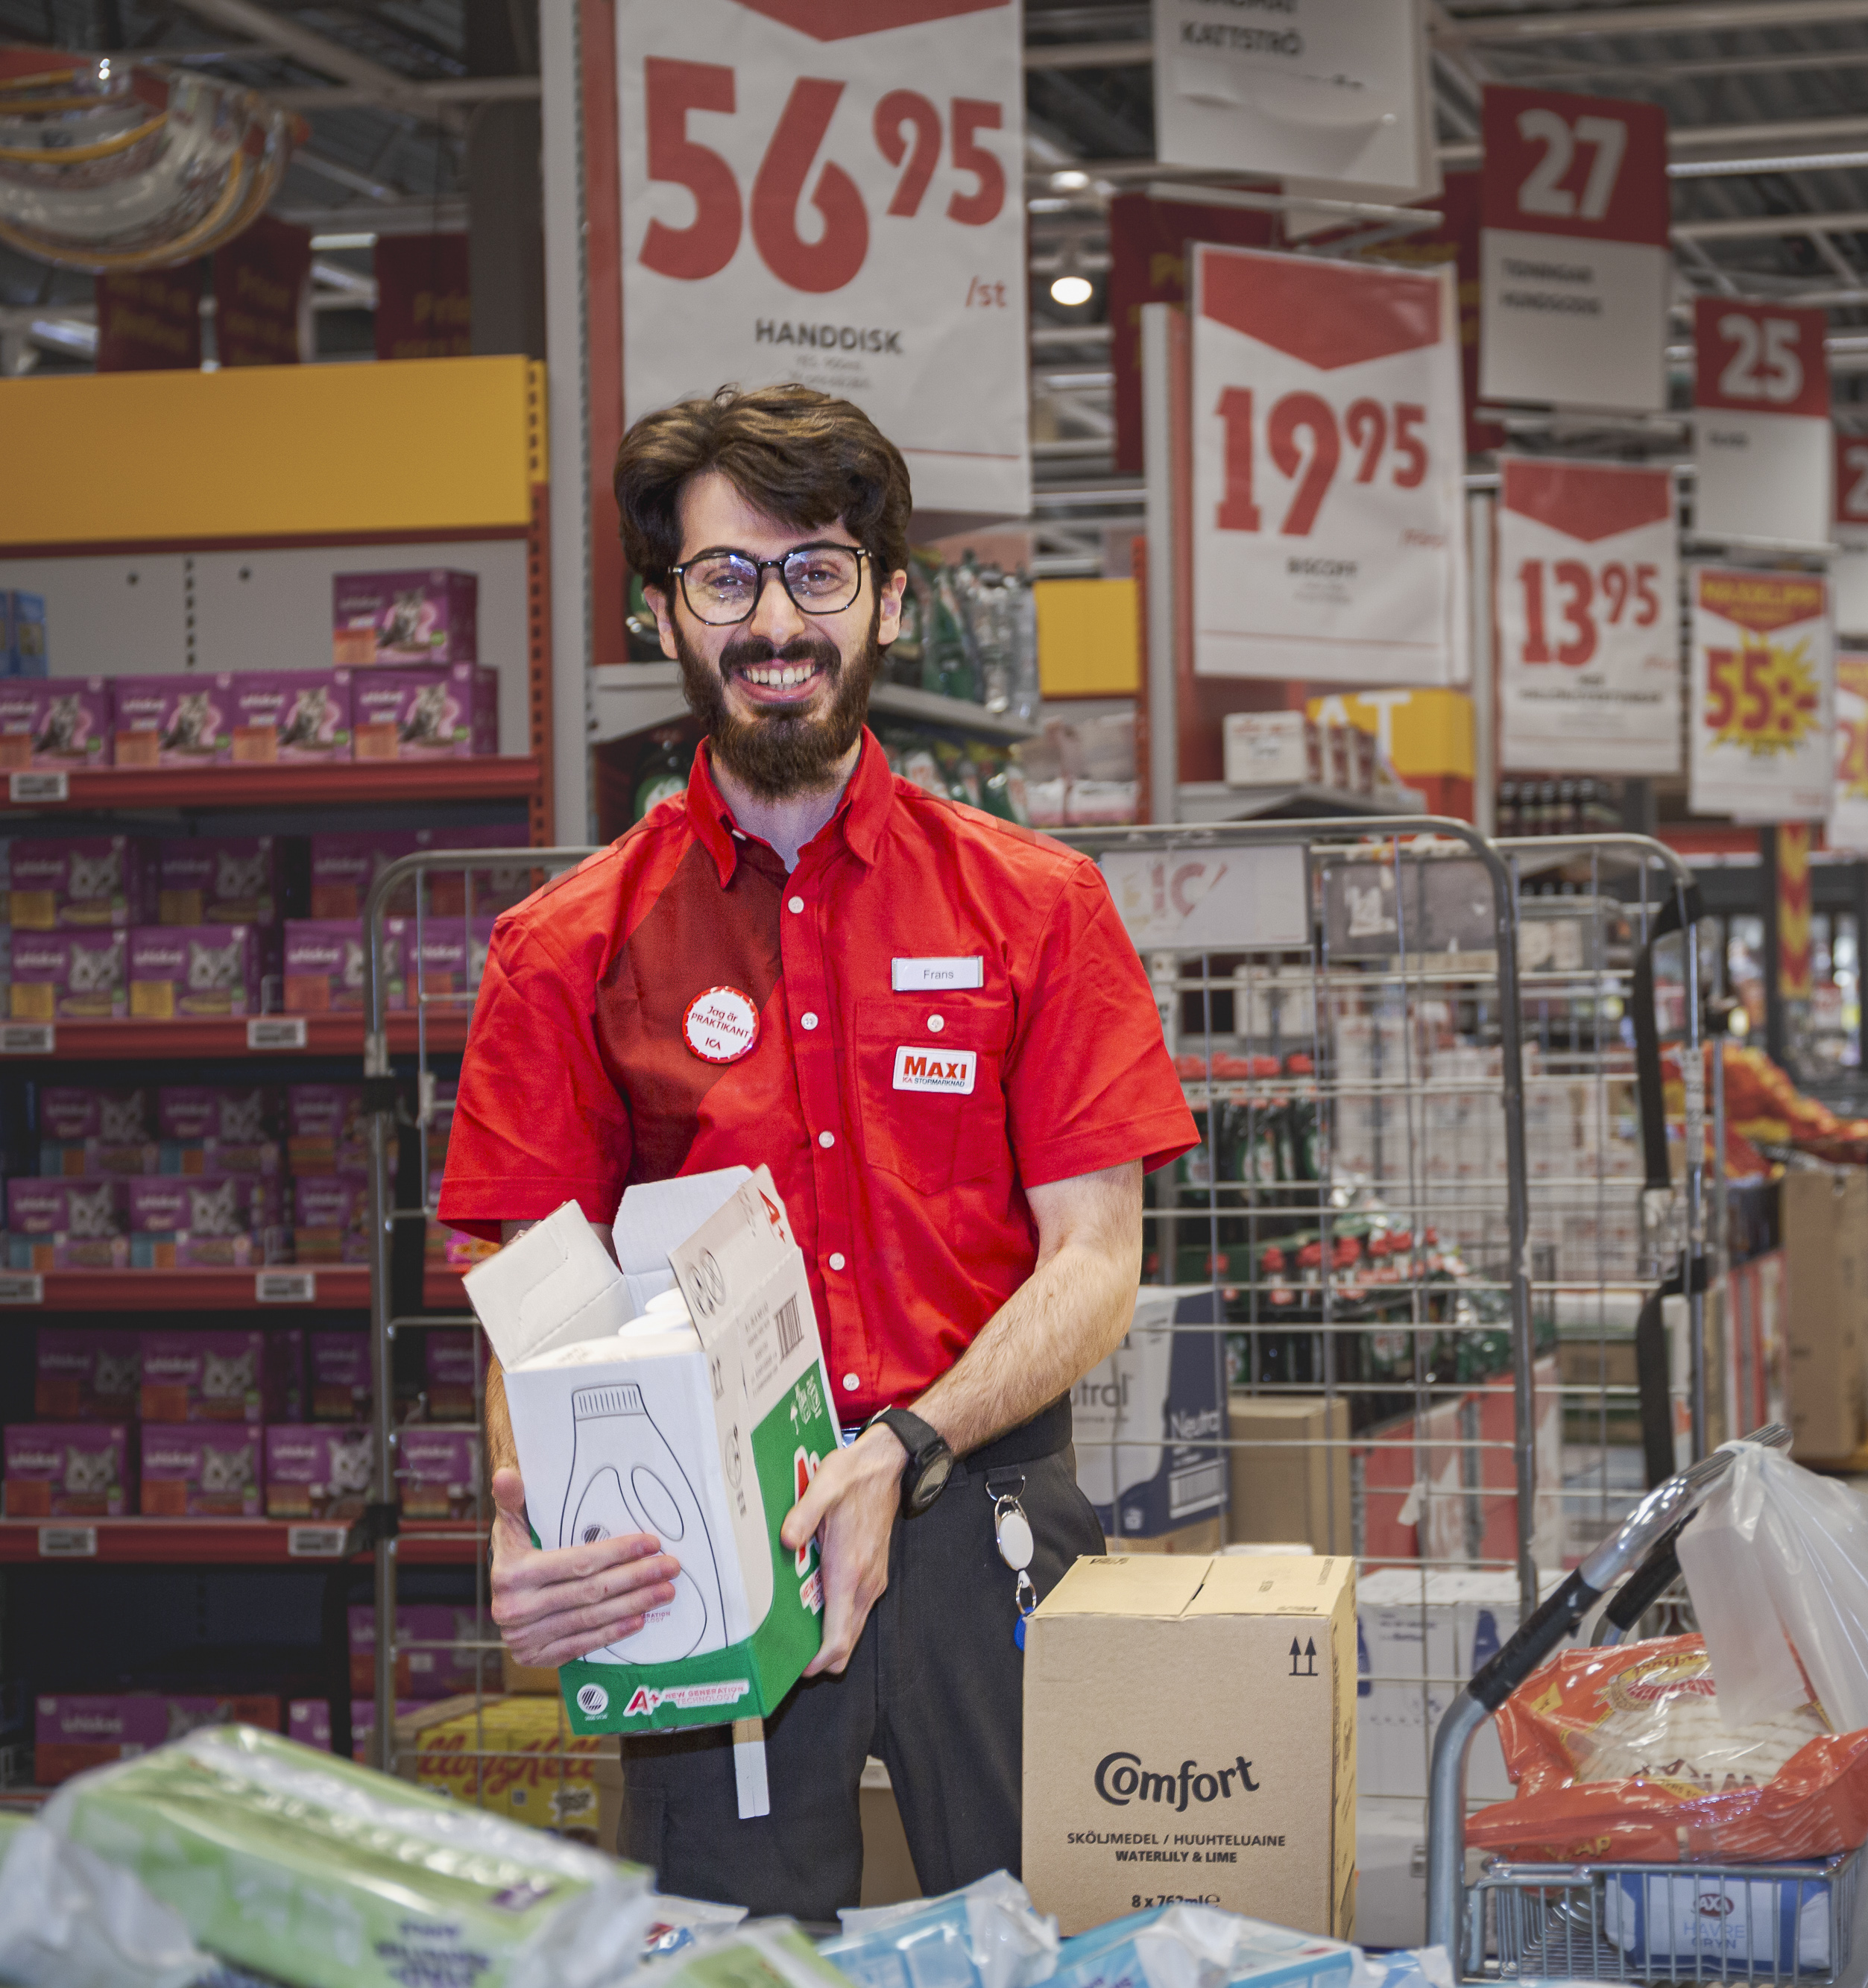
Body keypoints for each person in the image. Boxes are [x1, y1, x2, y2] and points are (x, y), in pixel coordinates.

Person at [438, 385, 1200, 1918]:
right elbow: (528, 1284)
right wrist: (525, 1510)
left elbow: (1097, 1257)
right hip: (708, 1542)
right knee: (730, 1950)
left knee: (1047, 1937)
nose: (774, 618)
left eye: (817, 571)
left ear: (889, 603)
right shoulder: (564, 947)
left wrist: (902, 1446)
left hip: (974, 1508)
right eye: (725, 577)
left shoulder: (1036, 906)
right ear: (667, 617)